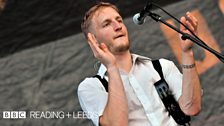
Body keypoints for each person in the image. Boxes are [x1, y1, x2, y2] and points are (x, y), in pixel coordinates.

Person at [78, 2, 202, 126]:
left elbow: (192, 108)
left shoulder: (162, 67)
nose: (118, 26)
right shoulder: (91, 87)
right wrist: (111, 67)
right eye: (107, 24)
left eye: (119, 20)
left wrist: (187, 52)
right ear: (93, 40)